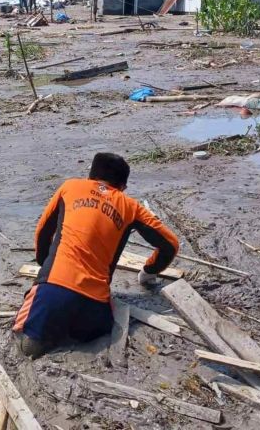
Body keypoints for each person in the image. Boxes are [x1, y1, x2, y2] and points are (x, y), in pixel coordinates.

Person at [12, 153, 180, 358]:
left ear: (89, 176)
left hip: (52, 292)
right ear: (123, 187)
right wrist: (148, 271)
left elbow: (42, 232)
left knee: (27, 348)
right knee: (88, 332)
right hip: (94, 308)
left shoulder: (70, 187)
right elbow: (170, 244)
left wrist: (45, 269)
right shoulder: (131, 207)